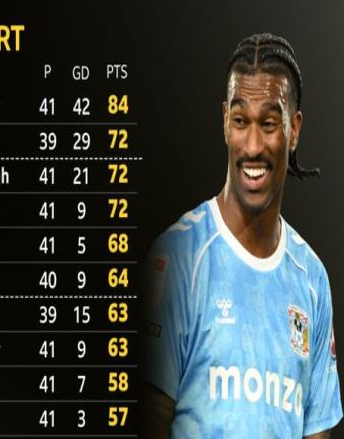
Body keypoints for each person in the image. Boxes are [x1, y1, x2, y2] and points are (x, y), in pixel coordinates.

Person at [144, 33, 342, 439]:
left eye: (268, 124)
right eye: (240, 121)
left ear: (294, 129)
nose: (252, 146)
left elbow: (317, 433)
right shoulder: (178, 257)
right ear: (224, 122)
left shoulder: (312, 279)